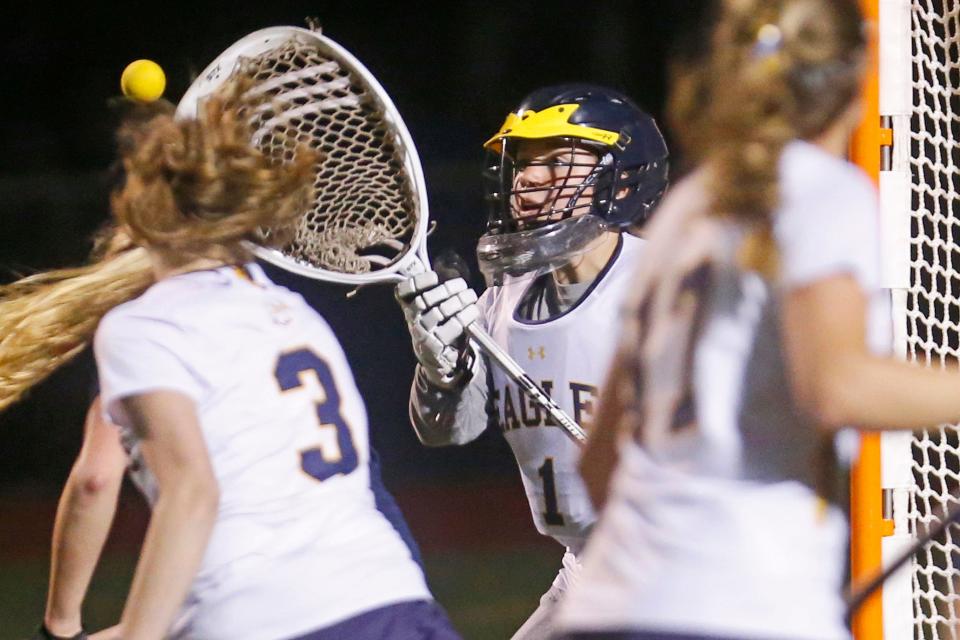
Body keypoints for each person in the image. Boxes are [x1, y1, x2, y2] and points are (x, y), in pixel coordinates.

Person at [551, 1, 960, 638]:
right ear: (855, 75)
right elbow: (837, 386)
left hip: (609, 604)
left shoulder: (689, 207)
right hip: (737, 606)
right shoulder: (823, 191)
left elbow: (599, 464)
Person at [15, 78, 456, 640]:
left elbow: (190, 494)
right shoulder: (291, 310)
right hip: (392, 597)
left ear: (142, 208)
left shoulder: (146, 325)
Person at [395, 84, 669, 639]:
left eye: (558, 161)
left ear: (618, 179)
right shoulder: (503, 297)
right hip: (586, 569)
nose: (527, 180)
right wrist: (439, 365)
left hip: (673, 567)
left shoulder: (662, 285)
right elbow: (452, 430)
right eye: (522, 163)